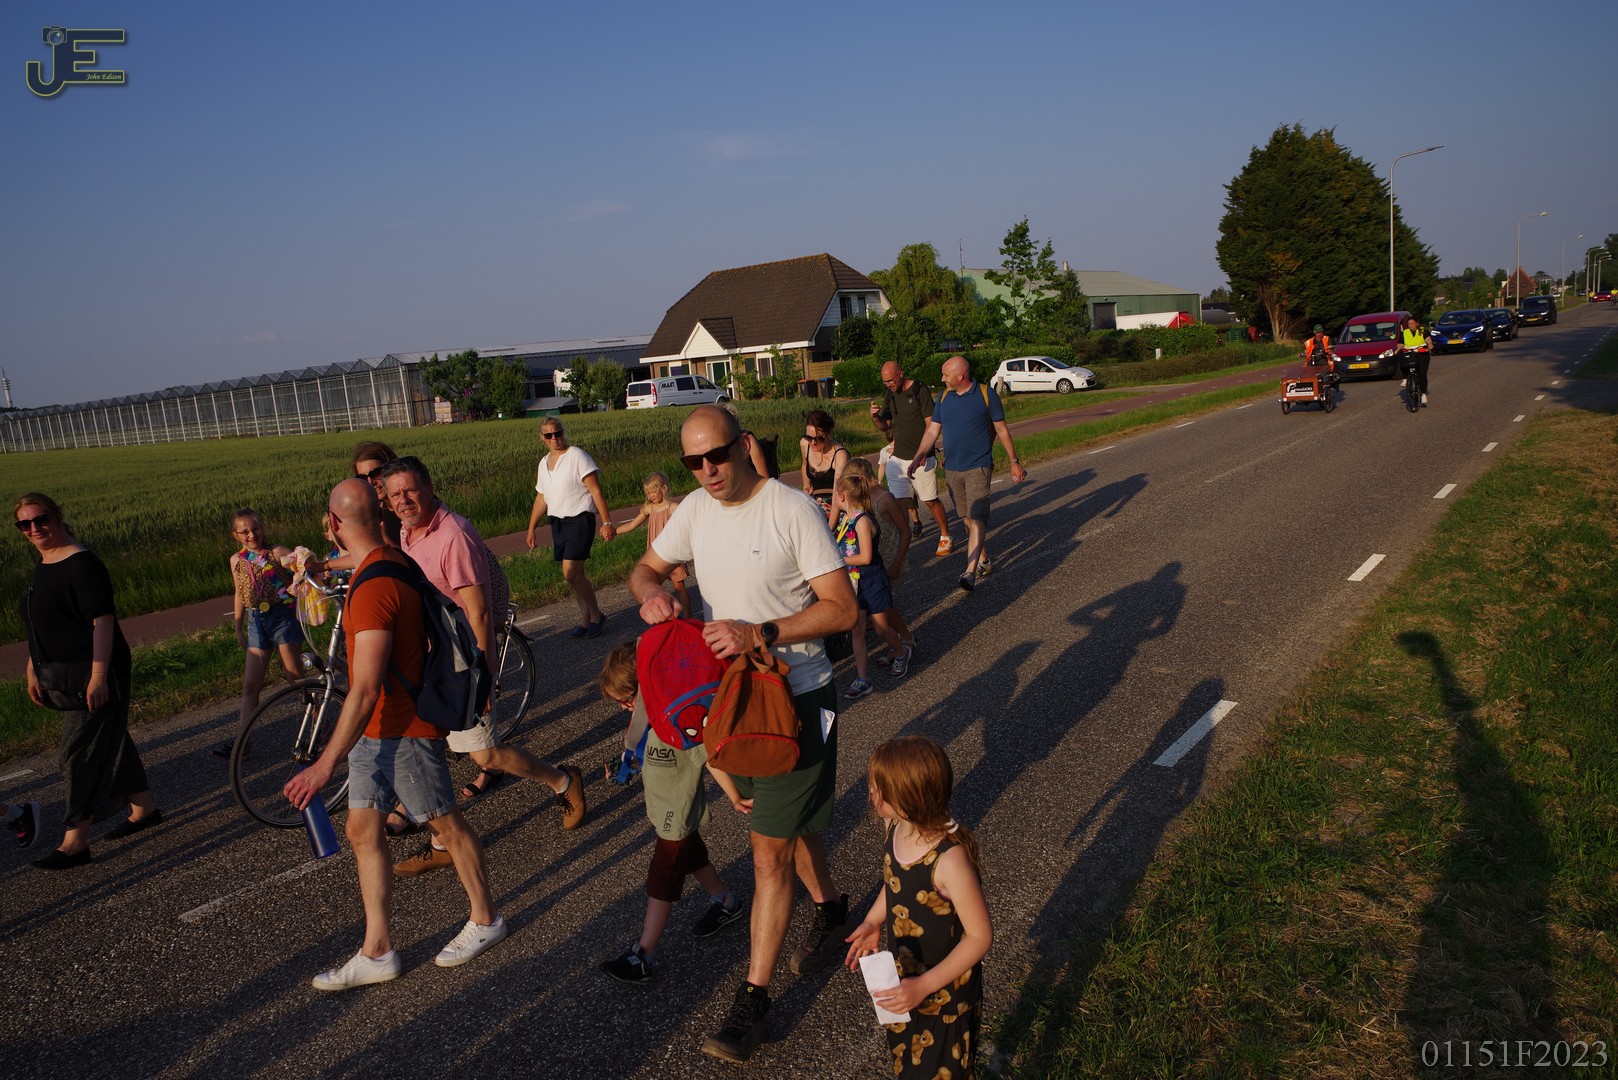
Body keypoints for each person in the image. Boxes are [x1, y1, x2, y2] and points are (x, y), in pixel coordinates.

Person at [628, 405, 858, 1064]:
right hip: (733, 703)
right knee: (784, 822)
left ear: (744, 445)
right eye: (692, 462)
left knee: (766, 852)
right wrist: (651, 594)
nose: (707, 470)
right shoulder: (696, 512)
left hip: (797, 698)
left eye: (717, 455)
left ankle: (752, 1004)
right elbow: (643, 569)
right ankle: (831, 907)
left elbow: (843, 608)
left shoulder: (791, 510)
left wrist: (762, 632)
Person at [284, 479, 507, 991]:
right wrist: (318, 566)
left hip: (402, 729)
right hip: (376, 729)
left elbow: (364, 690)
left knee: (446, 824)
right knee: (363, 830)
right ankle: (378, 950)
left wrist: (322, 767)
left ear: (333, 524)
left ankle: (486, 918)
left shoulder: (372, 591)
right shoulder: (389, 560)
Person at [377, 457, 585, 869]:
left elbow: (480, 612)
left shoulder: (452, 536)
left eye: (411, 490)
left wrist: (483, 677)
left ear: (429, 487)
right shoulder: (407, 530)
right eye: (395, 494)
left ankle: (563, 781)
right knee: (427, 748)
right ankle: (442, 844)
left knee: (486, 756)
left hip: (460, 661)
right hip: (431, 659)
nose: (403, 500)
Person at [16, 493, 161, 870]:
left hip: (95, 672)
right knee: (111, 737)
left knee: (76, 752)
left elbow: (103, 621)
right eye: (25, 524)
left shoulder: (81, 563)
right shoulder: (45, 562)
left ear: (57, 516)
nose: (34, 528)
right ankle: (144, 807)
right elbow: (43, 623)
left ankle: (75, 841)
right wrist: (32, 666)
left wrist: (99, 677)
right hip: (63, 671)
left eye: (41, 519)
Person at [595, 635, 746, 984]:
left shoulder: (680, 722)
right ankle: (727, 903)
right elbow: (647, 756)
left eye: (626, 700)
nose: (623, 708)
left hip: (675, 817)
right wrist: (625, 768)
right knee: (694, 857)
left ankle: (643, 954)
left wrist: (735, 797)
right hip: (665, 812)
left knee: (661, 879)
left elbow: (709, 758)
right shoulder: (650, 722)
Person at [843, 736, 991, 1080]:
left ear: (909, 798)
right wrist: (873, 920)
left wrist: (924, 986)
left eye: (878, 787)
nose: (870, 793)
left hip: (946, 995)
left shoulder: (949, 860)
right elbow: (895, 882)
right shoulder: (895, 827)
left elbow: (980, 937)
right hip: (906, 980)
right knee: (910, 1064)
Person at [906, 357, 1028, 593]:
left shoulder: (985, 394)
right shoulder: (943, 398)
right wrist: (918, 455)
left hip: (978, 466)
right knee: (965, 517)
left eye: (945, 375)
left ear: (960, 376)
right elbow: (932, 431)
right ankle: (984, 560)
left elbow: (1002, 430)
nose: (942, 379)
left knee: (977, 517)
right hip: (952, 468)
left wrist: (1014, 462)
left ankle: (970, 571)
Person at [214, 509, 306, 759]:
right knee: (251, 684)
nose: (251, 535)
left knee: (294, 677)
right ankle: (243, 743)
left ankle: (322, 724)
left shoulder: (277, 553)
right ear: (235, 535)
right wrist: (238, 624)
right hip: (256, 621)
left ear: (262, 528)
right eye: (244, 531)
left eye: (255, 529)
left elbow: (304, 568)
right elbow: (239, 592)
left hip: (282, 617)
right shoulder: (236, 560)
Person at [525, 418, 615, 637]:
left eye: (558, 433)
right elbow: (541, 497)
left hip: (580, 519)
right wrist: (531, 528)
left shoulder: (578, 456)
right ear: (542, 437)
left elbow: (596, 491)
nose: (554, 438)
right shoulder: (543, 463)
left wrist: (606, 522)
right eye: (549, 435)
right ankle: (585, 618)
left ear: (563, 433)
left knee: (570, 572)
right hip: (558, 523)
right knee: (576, 575)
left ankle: (596, 615)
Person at [831, 472, 911, 699]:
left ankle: (901, 651)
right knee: (857, 630)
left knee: (880, 628)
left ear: (842, 496)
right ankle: (863, 679)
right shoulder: (845, 520)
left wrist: (838, 561)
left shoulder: (862, 521)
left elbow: (866, 557)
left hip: (873, 580)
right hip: (855, 582)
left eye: (835, 495)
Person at [870, 361, 949, 548]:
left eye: (891, 380)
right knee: (899, 503)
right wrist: (875, 417)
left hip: (921, 457)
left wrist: (924, 451)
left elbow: (931, 423)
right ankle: (902, 542)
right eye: (885, 382)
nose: (889, 384)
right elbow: (885, 426)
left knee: (929, 500)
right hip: (898, 459)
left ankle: (945, 535)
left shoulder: (920, 390)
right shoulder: (890, 394)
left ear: (900, 374)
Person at [843, 457, 915, 661]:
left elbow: (905, 531)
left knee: (885, 608)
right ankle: (900, 642)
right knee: (881, 608)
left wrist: (898, 562)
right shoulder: (858, 502)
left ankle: (905, 641)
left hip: (888, 560)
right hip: (872, 562)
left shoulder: (885, 499)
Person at [614, 472, 693, 615]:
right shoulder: (649, 509)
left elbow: (689, 523)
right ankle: (667, 616)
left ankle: (688, 616)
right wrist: (614, 532)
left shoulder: (673, 507)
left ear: (664, 488)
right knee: (655, 588)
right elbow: (632, 525)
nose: (651, 495)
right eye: (648, 493)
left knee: (679, 587)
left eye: (653, 491)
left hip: (673, 553)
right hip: (655, 556)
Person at [799, 408, 851, 522]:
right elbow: (804, 464)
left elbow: (837, 497)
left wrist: (829, 528)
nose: (813, 442)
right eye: (809, 437)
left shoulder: (840, 455)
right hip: (815, 503)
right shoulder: (805, 444)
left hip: (837, 505)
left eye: (819, 438)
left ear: (829, 433)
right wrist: (806, 486)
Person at [1399, 315, 1433, 407]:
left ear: (1417, 323)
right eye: (1409, 324)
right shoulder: (1404, 332)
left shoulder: (1423, 331)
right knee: (1401, 359)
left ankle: (1423, 394)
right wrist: (1397, 349)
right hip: (1410, 353)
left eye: (1412, 323)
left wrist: (1430, 344)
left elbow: (1428, 339)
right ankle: (1406, 378)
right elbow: (1400, 343)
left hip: (1422, 354)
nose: (1411, 325)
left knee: (1422, 374)